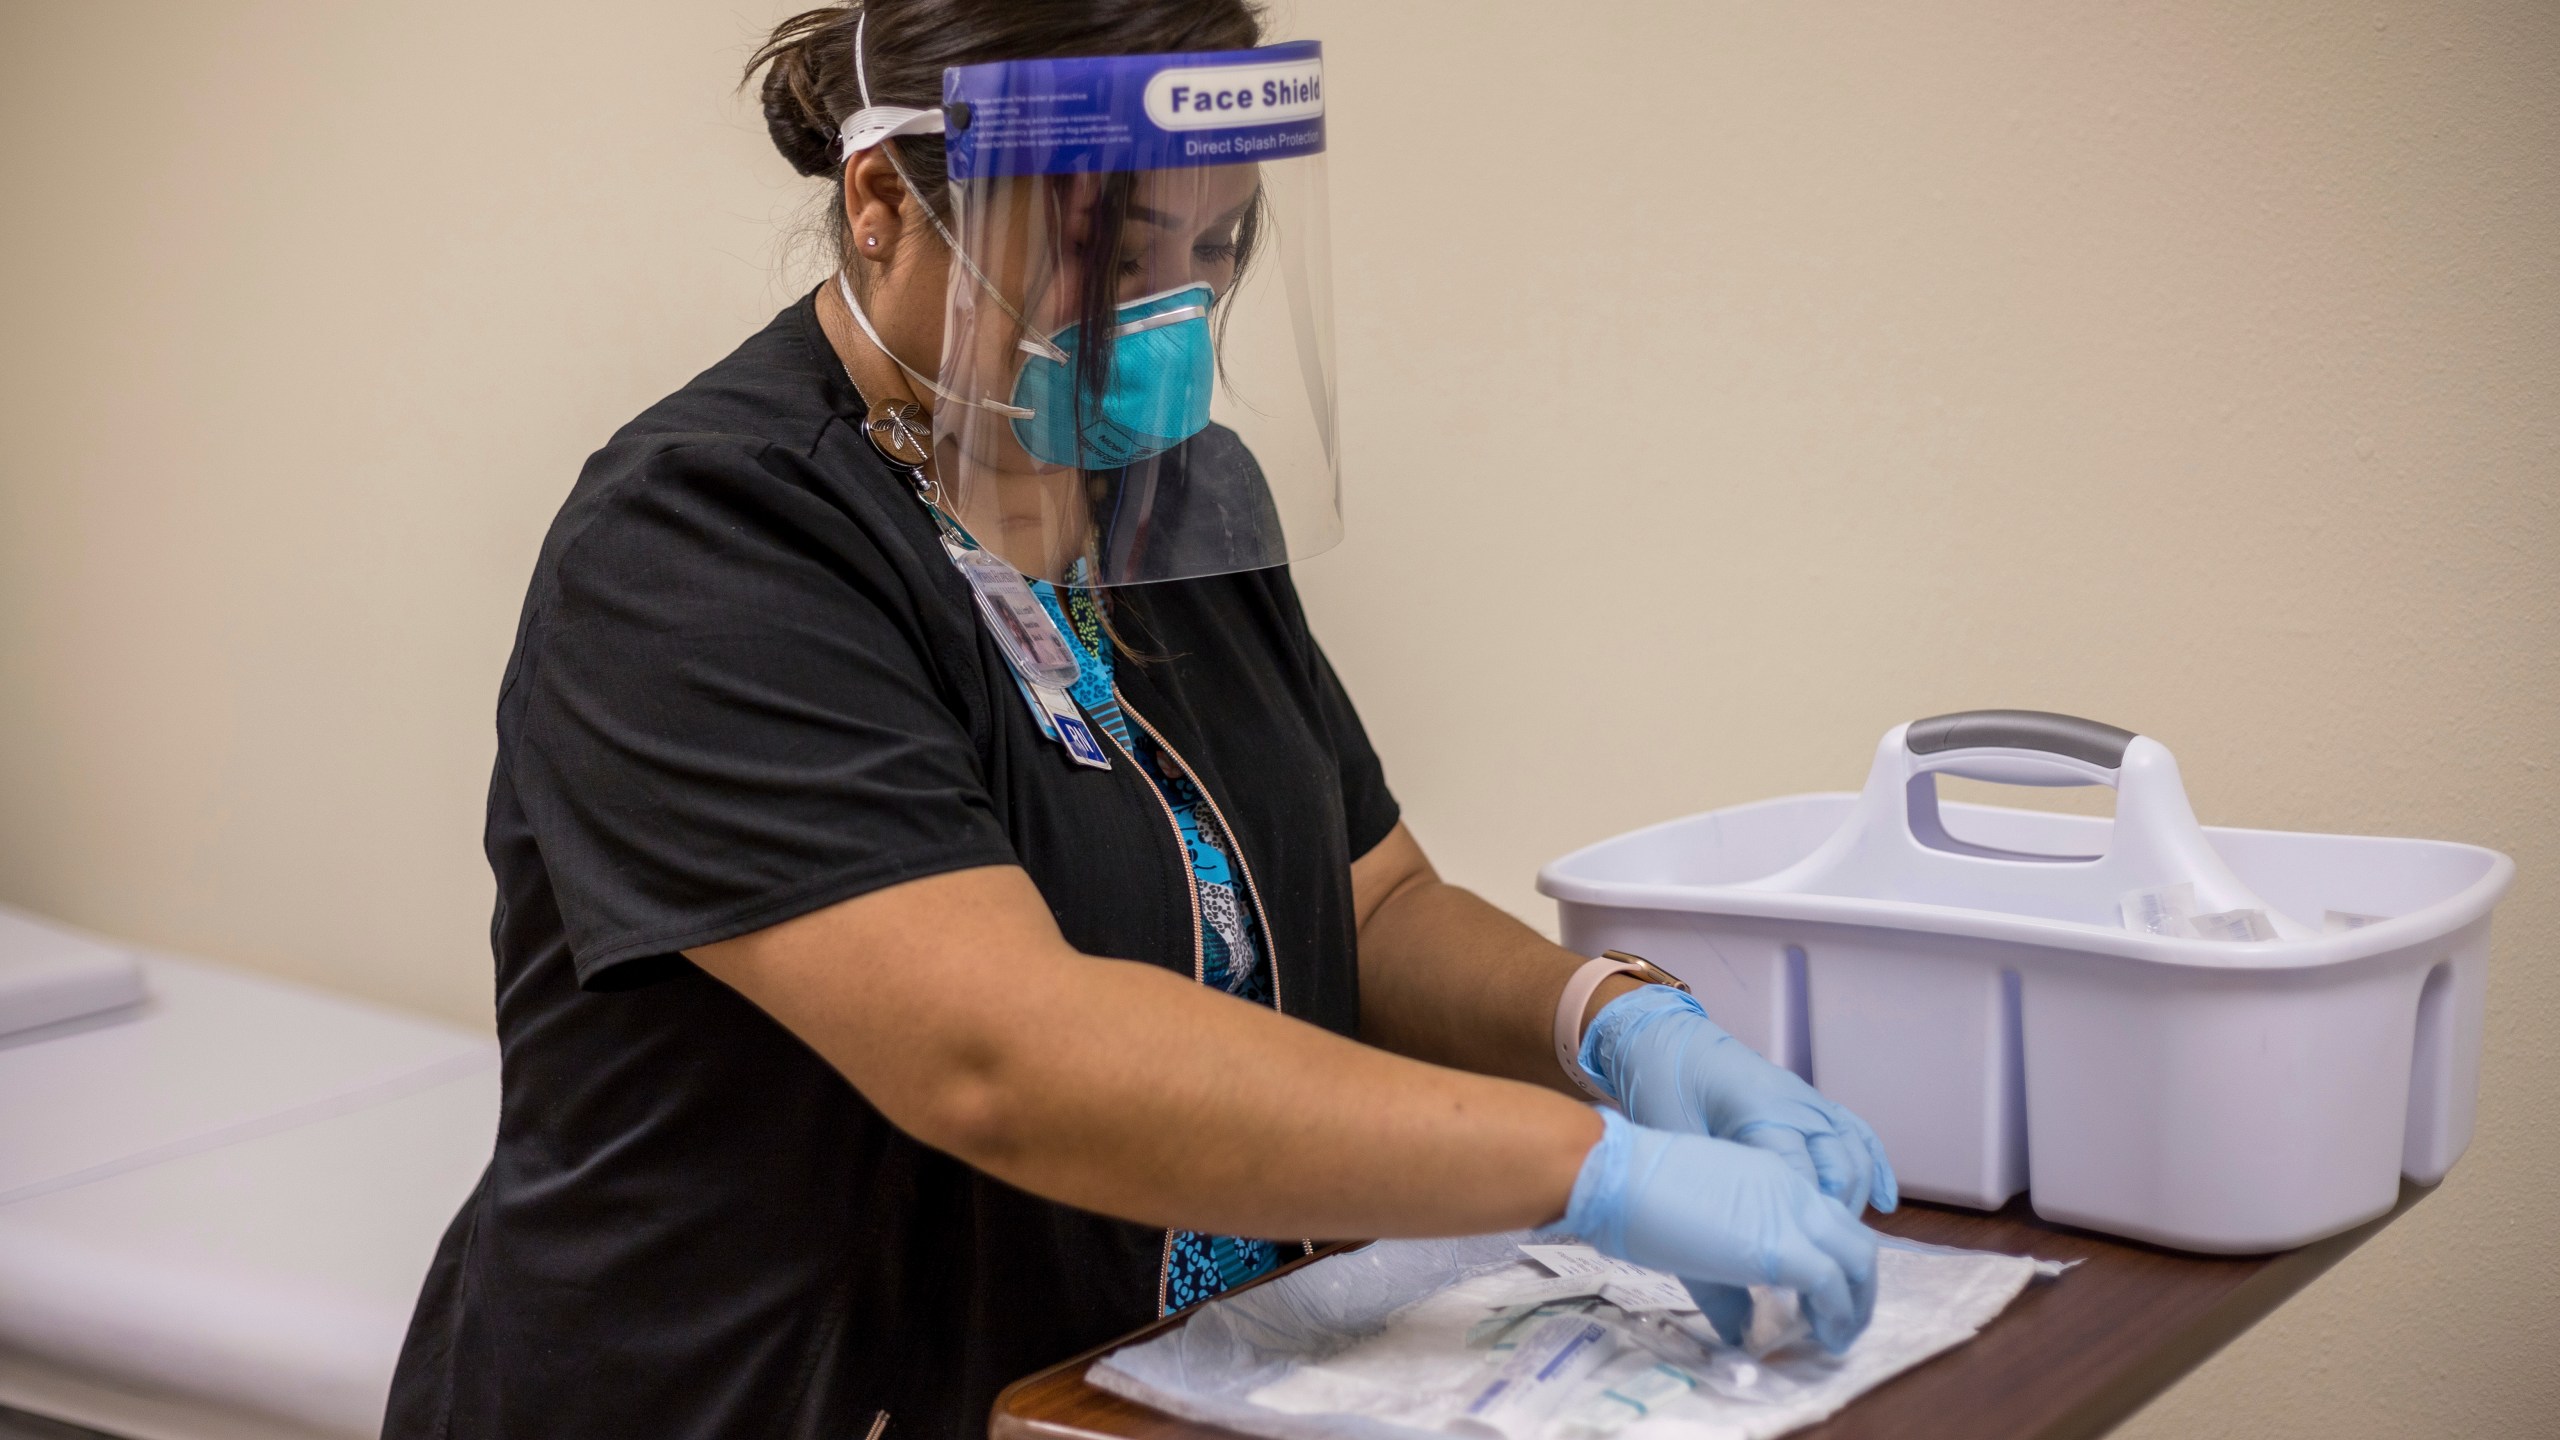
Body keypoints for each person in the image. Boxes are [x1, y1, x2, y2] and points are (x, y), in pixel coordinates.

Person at [386, 4, 1898, 1437]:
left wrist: (1617, 1023)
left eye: (1215, 243)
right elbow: (1004, 1053)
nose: (1162, 314)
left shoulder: (1174, 493)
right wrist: (1593, 1172)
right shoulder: (700, 547)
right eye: (1101, 247)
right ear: (882, 201)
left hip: (1152, 1389)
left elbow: (1368, 896)